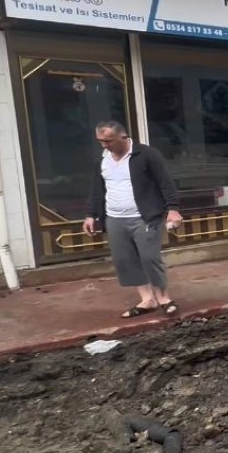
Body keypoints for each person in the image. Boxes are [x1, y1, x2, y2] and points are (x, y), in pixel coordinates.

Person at [82, 121, 183, 318]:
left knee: (149, 258)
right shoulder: (102, 159)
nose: (104, 145)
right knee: (125, 260)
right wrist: (91, 215)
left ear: (123, 136)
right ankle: (148, 300)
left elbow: (166, 182)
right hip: (114, 218)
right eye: (101, 141)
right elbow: (96, 190)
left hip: (144, 217)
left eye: (108, 141)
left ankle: (164, 298)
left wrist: (173, 209)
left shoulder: (146, 154)